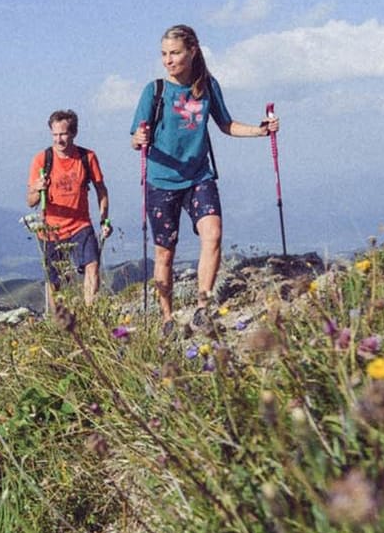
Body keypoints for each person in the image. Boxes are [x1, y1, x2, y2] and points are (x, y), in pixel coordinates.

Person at [130, 24, 277, 332]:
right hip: (162, 179)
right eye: (164, 54)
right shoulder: (154, 91)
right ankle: (167, 317)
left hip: (199, 175)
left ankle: (202, 307)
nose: (168, 60)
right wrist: (139, 138)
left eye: (175, 53)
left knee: (213, 234)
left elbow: (226, 124)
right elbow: (136, 137)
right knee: (164, 254)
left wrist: (260, 130)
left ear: (192, 51)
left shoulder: (207, 87)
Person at [26, 109, 111, 317]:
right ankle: (59, 322)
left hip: (80, 225)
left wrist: (104, 219)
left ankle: (91, 315)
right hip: (50, 229)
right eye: (54, 135)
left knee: (92, 265)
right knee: (55, 282)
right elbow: (31, 202)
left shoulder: (86, 157)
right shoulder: (42, 160)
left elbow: (101, 189)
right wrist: (38, 188)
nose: (59, 139)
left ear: (73, 133)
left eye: (63, 134)